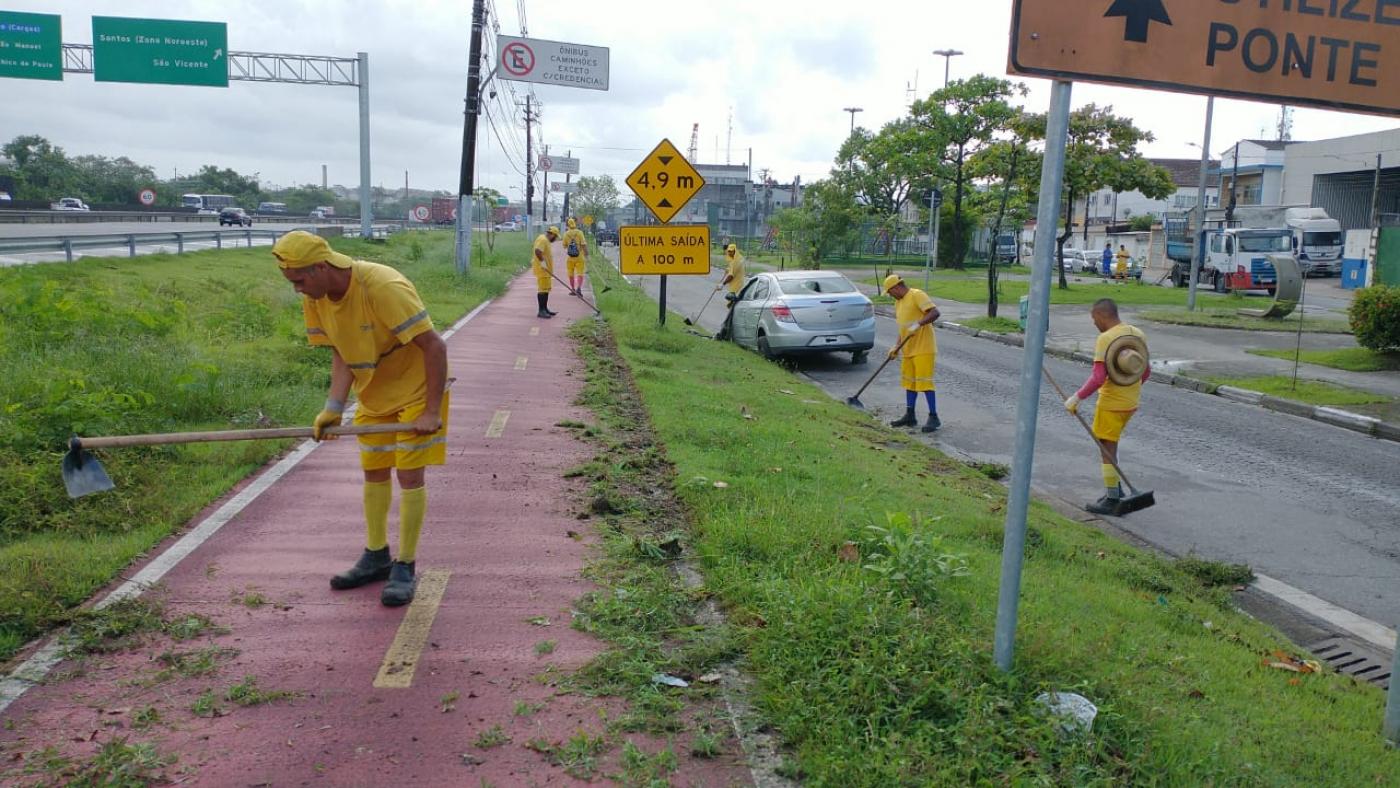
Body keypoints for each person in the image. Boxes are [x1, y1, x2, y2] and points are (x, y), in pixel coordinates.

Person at [273, 230, 449, 607]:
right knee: (374, 470)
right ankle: (376, 555)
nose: (297, 290)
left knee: (409, 474)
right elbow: (342, 351)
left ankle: (405, 564)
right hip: (373, 391)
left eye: (300, 281)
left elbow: (434, 345)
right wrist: (333, 408)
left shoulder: (381, 285)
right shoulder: (316, 295)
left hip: (418, 389)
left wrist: (431, 410)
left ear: (321, 267)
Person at [1064, 298, 1150, 515]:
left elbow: (1098, 377)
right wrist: (1128, 388)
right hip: (1131, 402)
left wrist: (1076, 398)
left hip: (1111, 403)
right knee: (1111, 445)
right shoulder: (1137, 334)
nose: (1094, 323)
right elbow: (1145, 371)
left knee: (1105, 448)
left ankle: (1112, 498)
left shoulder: (1106, 339)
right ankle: (1116, 489)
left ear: (1102, 316)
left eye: (1094, 319)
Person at [883, 274, 942, 433]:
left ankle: (933, 417)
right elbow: (903, 327)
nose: (890, 295)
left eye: (890, 292)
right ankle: (910, 415)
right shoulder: (898, 302)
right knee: (909, 383)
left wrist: (919, 324)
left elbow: (935, 313)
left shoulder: (916, 295)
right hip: (908, 349)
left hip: (923, 348)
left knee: (925, 383)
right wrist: (896, 347)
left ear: (896, 287)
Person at [714, 243, 746, 341]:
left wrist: (722, 284)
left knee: (733, 310)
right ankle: (727, 332)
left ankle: (725, 332)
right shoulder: (738, 258)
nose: (730, 253)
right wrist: (728, 269)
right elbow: (733, 270)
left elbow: (731, 276)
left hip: (736, 289)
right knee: (733, 310)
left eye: (732, 251)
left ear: (735, 251)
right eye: (729, 252)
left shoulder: (735, 261)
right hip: (737, 286)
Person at [533, 226, 560, 318]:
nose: (555, 239)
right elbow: (537, 251)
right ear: (552, 234)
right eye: (555, 237)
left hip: (547, 270)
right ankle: (541, 311)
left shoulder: (546, 240)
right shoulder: (543, 239)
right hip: (542, 270)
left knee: (546, 289)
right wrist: (542, 262)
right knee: (542, 290)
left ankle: (545, 309)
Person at [561, 218, 589, 297]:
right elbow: (583, 244)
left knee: (570, 273)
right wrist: (586, 254)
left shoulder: (566, 234)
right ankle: (579, 288)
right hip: (579, 256)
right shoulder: (580, 233)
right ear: (574, 224)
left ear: (568, 225)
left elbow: (564, 245)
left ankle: (573, 289)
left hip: (570, 257)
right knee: (580, 272)